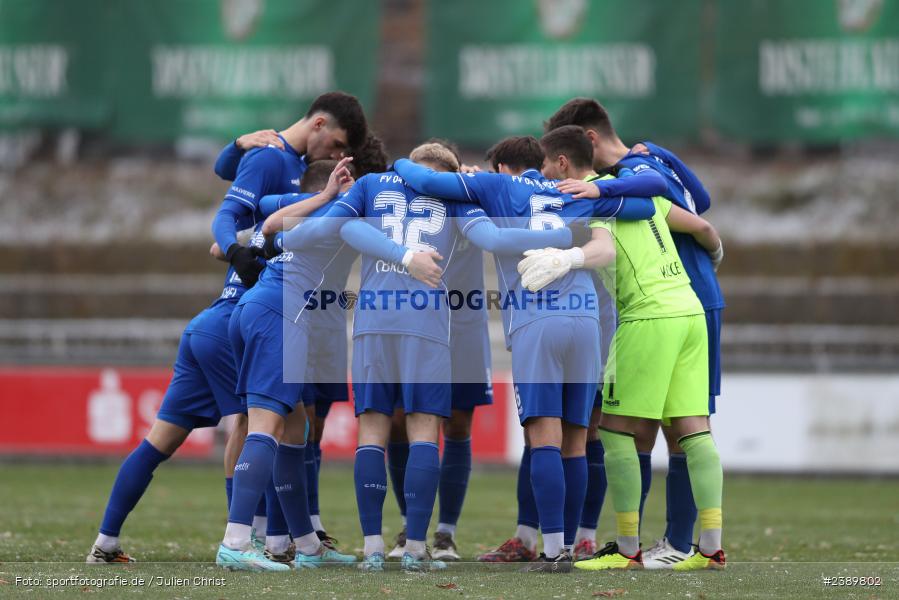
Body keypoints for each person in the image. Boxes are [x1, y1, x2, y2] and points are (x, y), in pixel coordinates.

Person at [280, 142, 580, 572]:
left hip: (372, 319)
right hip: (427, 320)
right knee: (424, 430)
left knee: (373, 429)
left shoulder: (370, 184)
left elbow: (324, 230)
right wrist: (561, 237)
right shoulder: (454, 194)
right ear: (447, 172)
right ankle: (418, 548)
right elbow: (493, 239)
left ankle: (373, 548)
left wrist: (285, 233)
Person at [393, 136, 657, 572]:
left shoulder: (499, 187)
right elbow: (644, 207)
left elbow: (424, 178)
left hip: (537, 320)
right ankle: (570, 545)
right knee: (577, 441)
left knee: (543, 439)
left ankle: (552, 551)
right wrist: (597, 191)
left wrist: (401, 163)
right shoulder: (570, 190)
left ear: (500, 168)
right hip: (586, 320)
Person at [519, 151, 726, 572]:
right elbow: (703, 227)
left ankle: (628, 550)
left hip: (646, 317)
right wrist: (715, 257)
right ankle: (711, 548)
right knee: (694, 429)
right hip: (690, 311)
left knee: (613, 431)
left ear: (564, 165)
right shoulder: (647, 199)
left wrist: (566, 259)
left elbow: (604, 249)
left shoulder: (590, 203)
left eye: (548, 167)